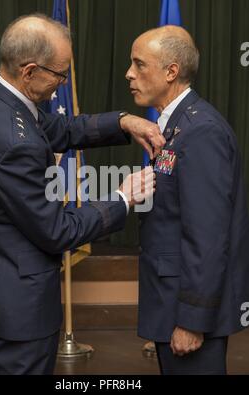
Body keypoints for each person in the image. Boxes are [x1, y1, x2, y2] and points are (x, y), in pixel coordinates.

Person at [0, 14, 165, 375]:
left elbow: (55, 127)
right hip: (19, 310)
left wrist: (122, 121)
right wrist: (121, 198)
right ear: (30, 71)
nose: (62, 83)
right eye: (59, 74)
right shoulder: (14, 142)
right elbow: (56, 231)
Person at [126, 25, 249, 375]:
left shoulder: (202, 131)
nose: (129, 74)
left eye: (139, 64)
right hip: (170, 301)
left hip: (188, 311)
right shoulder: (177, 125)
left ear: (171, 71)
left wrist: (192, 320)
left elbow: (208, 235)